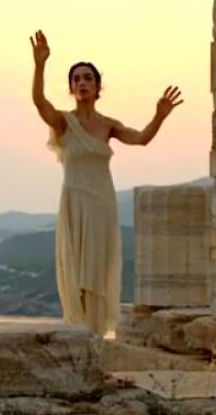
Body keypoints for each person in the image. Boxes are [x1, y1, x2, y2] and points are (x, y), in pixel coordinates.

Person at [29, 29, 183, 336]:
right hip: (74, 203)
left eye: (87, 78)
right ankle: (79, 337)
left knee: (96, 274)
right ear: (71, 88)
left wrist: (160, 116)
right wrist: (40, 65)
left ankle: (96, 339)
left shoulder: (108, 125)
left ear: (98, 86)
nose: (82, 82)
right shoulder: (64, 121)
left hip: (100, 204)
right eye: (76, 79)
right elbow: (39, 101)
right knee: (76, 275)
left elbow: (141, 139)